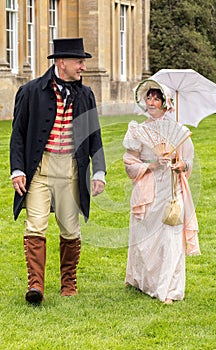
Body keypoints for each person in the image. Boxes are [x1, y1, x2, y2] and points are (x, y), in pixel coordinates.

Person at [10, 38, 106, 305]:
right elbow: (17, 134)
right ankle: (35, 286)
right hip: (39, 168)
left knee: (70, 229)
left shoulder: (85, 95)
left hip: (71, 168)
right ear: (61, 62)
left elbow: (94, 135)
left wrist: (99, 172)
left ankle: (68, 283)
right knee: (35, 225)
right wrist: (18, 169)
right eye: (79, 61)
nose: (83, 67)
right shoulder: (30, 92)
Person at [123, 79, 200, 304]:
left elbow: (188, 162)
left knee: (170, 235)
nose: (152, 102)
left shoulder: (178, 131)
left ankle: (169, 288)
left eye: (157, 98)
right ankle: (142, 280)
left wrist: (180, 165)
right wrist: (151, 165)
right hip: (148, 187)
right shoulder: (138, 130)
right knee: (144, 235)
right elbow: (129, 162)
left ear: (166, 104)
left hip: (171, 190)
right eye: (149, 97)